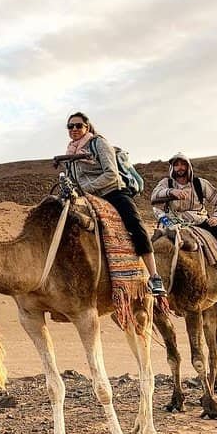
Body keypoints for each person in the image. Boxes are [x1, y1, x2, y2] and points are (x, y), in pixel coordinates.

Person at [54, 111, 166, 296]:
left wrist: (87, 187)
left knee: (135, 225)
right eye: (70, 126)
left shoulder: (99, 143)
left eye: (78, 125)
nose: (74, 129)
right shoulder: (69, 153)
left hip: (112, 192)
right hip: (85, 197)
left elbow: (111, 174)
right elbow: (74, 180)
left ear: (87, 127)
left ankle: (154, 277)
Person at [150, 153, 217, 286]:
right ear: (172, 167)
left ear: (188, 166)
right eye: (176, 164)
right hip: (173, 222)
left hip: (199, 220)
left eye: (183, 164)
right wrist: (171, 192)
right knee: (154, 242)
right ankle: (153, 276)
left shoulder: (200, 184)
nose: (179, 167)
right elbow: (154, 196)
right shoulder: (166, 183)